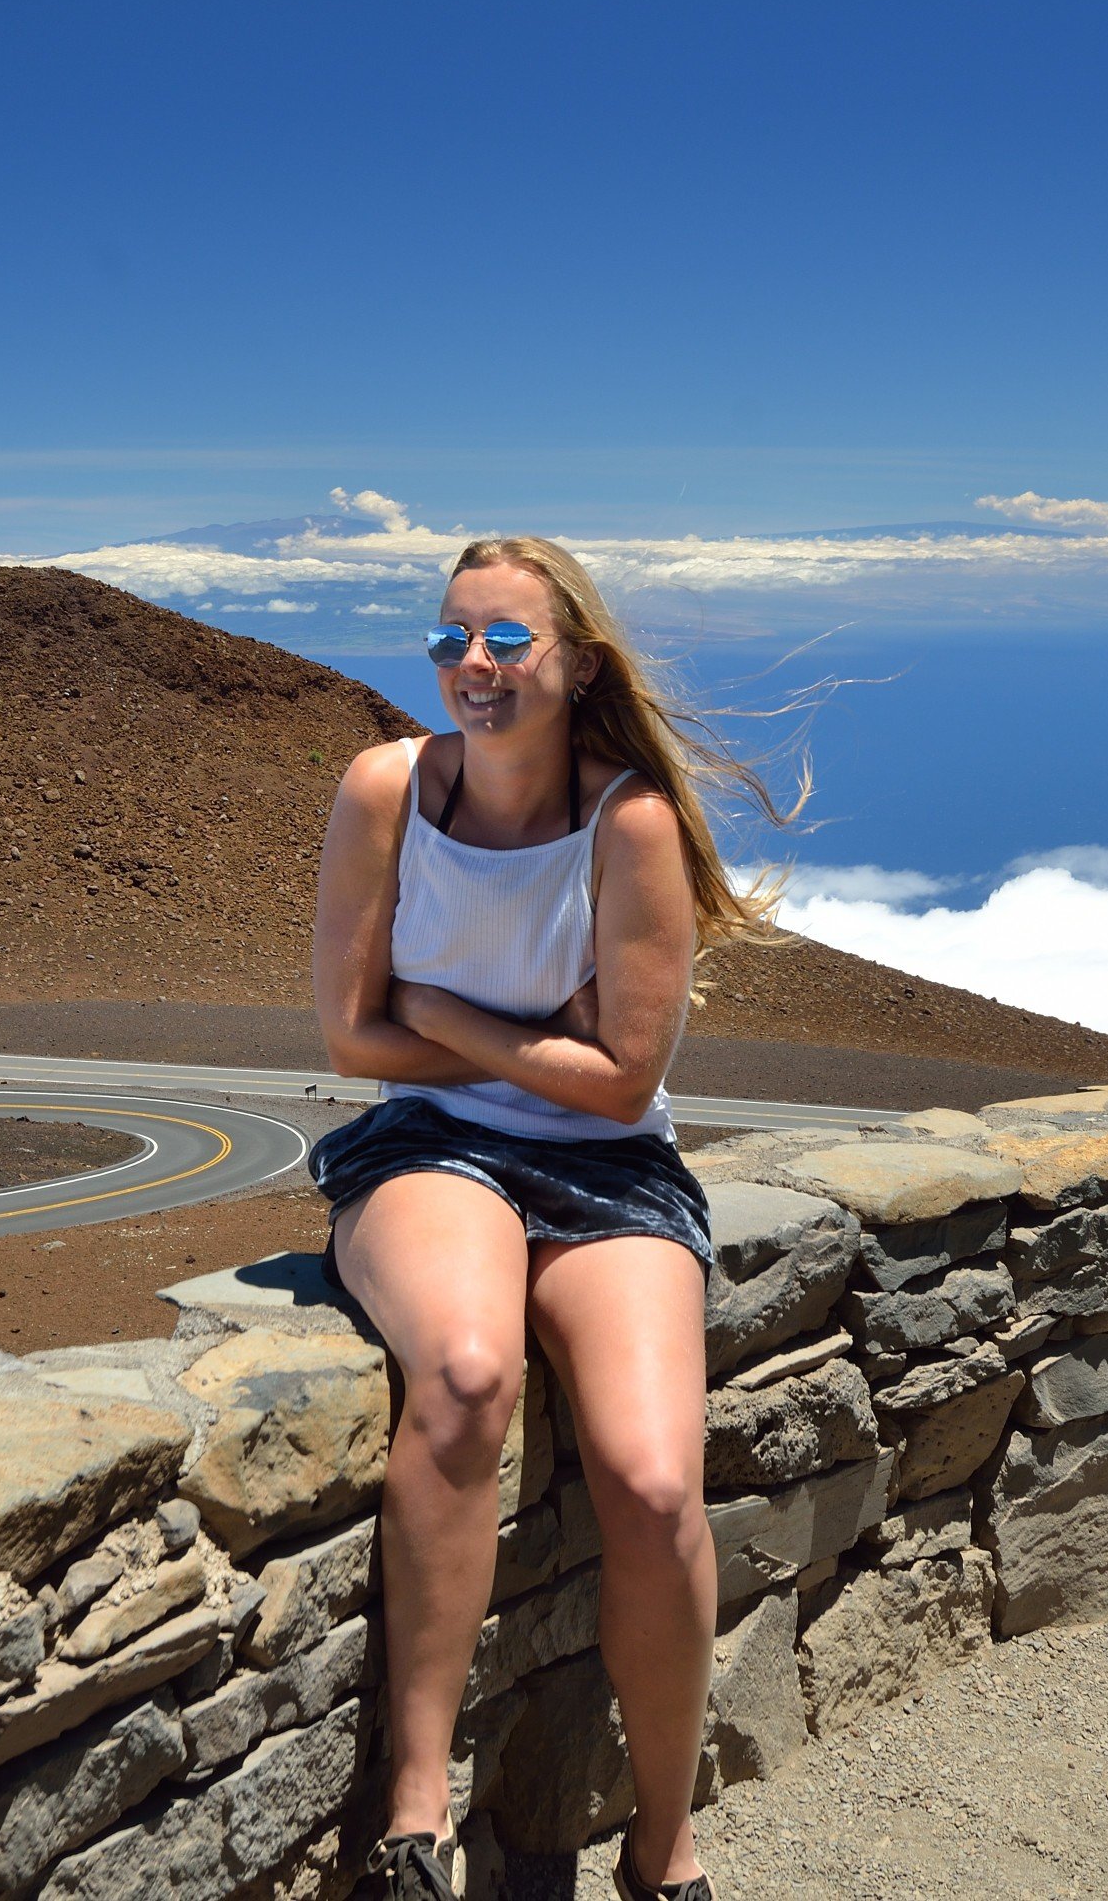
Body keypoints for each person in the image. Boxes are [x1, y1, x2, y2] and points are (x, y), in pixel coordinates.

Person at [310, 536, 792, 1901]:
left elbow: (623, 1082)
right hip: (428, 1146)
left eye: (508, 640)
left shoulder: (628, 824)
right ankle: (415, 1813)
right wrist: (539, 1044)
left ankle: (663, 1847)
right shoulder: (388, 791)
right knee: (467, 1377)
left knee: (653, 1483)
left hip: (611, 1170)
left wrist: (442, 1009)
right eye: (451, 640)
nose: (474, 664)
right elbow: (350, 1038)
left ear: (577, 661)